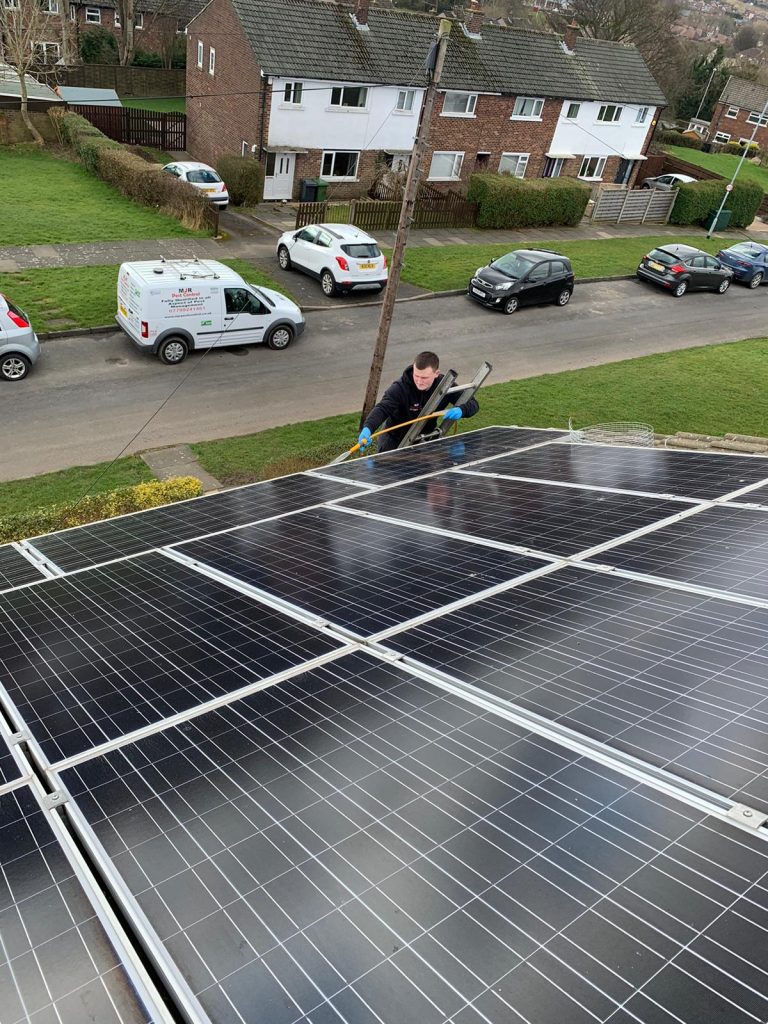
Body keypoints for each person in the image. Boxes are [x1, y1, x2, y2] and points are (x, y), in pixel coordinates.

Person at [358, 351, 479, 453]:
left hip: (426, 438)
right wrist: (368, 428)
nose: (419, 381)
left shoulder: (445, 385)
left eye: (424, 378)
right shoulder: (400, 387)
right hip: (394, 441)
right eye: (417, 376)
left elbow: (474, 404)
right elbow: (383, 408)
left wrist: (461, 410)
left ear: (436, 373)